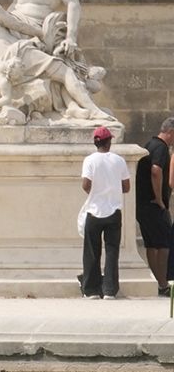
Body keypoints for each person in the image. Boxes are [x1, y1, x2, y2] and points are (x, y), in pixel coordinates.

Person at [80, 126, 129, 300]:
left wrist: (97, 192)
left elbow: (86, 184)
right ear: (109, 141)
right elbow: (126, 187)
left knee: (92, 251)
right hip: (114, 211)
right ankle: (109, 289)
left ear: (95, 142)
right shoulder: (119, 160)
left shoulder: (90, 160)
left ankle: (91, 289)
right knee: (112, 251)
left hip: (94, 210)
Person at [136, 117, 174, 297]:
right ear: (171, 132)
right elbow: (156, 170)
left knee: (153, 244)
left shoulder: (149, 144)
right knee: (164, 243)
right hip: (153, 204)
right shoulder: (160, 147)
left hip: (143, 204)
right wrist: (159, 199)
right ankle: (162, 282)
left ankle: (161, 283)